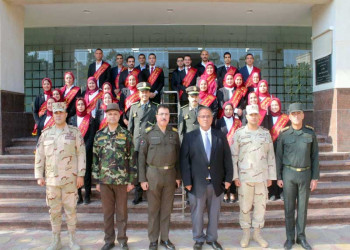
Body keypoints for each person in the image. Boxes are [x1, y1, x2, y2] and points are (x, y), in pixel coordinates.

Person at [34, 102, 86, 250]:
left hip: (70, 179)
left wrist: (81, 174)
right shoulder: (45, 134)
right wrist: (39, 175)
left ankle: (72, 239)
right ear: (52, 114)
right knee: (54, 211)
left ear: (65, 114)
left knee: (71, 210)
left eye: (60, 112)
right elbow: (40, 155)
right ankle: (56, 239)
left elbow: (81, 153)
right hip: (51, 181)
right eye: (55, 113)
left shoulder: (74, 133)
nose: (58, 115)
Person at [180, 106, 233, 250]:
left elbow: (227, 158)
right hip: (196, 184)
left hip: (217, 183)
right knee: (197, 214)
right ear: (198, 119)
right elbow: (184, 161)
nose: (205, 118)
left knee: (214, 213)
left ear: (212, 118)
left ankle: (212, 239)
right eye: (202, 116)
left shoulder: (220, 135)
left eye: (208, 116)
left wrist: (228, 179)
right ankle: (198, 239)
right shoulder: (190, 137)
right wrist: (187, 182)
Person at [92, 103, 136, 250]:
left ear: (119, 115)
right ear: (106, 116)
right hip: (104, 181)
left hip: (122, 181)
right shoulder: (99, 135)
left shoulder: (126, 134)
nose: (112, 116)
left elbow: (131, 159)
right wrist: (97, 180)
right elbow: (95, 159)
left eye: (115, 114)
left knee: (122, 213)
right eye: (109, 114)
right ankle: (109, 240)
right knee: (107, 213)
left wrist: (131, 180)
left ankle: (123, 240)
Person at [232, 104, 276, 248]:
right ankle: (245, 234)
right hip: (245, 178)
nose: (254, 117)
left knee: (260, 207)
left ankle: (257, 234)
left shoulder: (265, 133)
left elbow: (271, 156)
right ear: (246, 116)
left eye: (256, 114)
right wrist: (235, 176)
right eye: (251, 114)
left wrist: (271, 176)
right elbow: (234, 157)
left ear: (259, 116)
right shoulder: (239, 134)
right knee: (244, 207)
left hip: (262, 178)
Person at [276, 103, 319, 250]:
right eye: (293, 114)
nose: (296, 116)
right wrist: (279, 177)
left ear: (302, 115)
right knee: (288, 208)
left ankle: (301, 237)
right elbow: (279, 157)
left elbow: (315, 157)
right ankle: (289, 238)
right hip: (288, 174)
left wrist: (315, 178)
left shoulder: (310, 133)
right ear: (289, 116)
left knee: (302, 209)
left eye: (298, 113)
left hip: (305, 174)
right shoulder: (284, 134)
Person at [138, 104, 181, 250]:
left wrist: (178, 176)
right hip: (153, 175)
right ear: (156, 116)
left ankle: (165, 239)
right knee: (153, 209)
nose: (164, 117)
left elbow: (179, 156)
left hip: (170, 175)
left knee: (166, 209)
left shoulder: (174, 133)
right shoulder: (148, 133)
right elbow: (141, 157)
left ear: (169, 116)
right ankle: (152, 240)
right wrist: (142, 179)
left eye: (167, 114)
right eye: (161, 114)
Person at [128, 82, 158, 205]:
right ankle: (138, 195)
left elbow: (157, 126)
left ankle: (151, 194)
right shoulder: (134, 107)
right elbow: (131, 127)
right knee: (138, 169)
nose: (144, 94)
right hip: (136, 143)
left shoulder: (155, 107)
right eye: (142, 92)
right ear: (138, 93)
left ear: (149, 93)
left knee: (150, 168)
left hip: (150, 143)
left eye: (146, 92)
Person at [68, 98, 96, 205]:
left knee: (87, 173)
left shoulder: (91, 119)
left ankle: (87, 195)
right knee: (76, 173)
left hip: (87, 150)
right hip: (75, 151)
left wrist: (84, 148)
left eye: (82, 104)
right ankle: (79, 195)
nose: (80, 106)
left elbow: (92, 136)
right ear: (76, 106)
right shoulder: (72, 120)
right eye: (78, 104)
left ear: (85, 105)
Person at [215, 102, 241, 203]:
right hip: (223, 149)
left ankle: (233, 192)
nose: (228, 111)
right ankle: (225, 192)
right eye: (226, 109)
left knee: (234, 170)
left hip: (235, 150)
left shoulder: (237, 122)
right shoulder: (219, 122)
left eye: (230, 109)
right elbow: (216, 136)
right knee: (224, 171)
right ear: (223, 110)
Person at [268, 98, 290, 201]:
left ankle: (282, 191)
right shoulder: (266, 118)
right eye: (272, 105)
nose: (274, 107)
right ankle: (273, 192)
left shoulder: (285, 118)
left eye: (276, 105)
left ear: (280, 105)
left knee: (282, 168)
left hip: (283, 146)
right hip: (270, 146)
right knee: (272, 169)